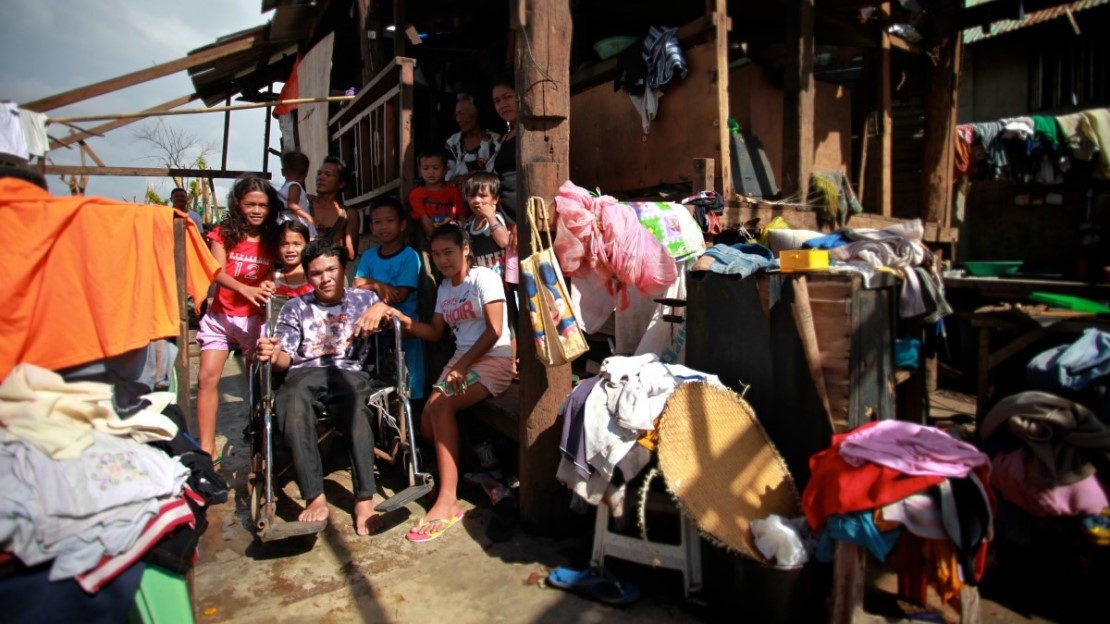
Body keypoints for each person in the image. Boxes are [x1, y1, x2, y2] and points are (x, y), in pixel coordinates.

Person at [381, 224, 513, 543]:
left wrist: (463, 365)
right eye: (437, 254)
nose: (442, 260)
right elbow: (436, 333)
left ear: (466, 249)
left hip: (494, 358)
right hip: (462, 362)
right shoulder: (444, 288)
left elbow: (495, 330)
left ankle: (448, 499)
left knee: (441, 408)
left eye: (448, 252)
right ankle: (475, 471)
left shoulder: (484, 278)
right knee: (427, 418)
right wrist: (399, 319)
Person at [256, 238, 393, 536]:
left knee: (358, 411)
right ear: (307, 277)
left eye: (332, 269)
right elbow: (285, 359)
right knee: (290, 404)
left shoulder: (363, 300)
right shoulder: (294, 308)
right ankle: (314, 495)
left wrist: (381, 307)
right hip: (304, 372)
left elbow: (392, 316)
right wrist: (272, 353)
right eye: (317, 273)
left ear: (344, 269)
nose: (325, 278)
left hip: (349, 372)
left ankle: (364, 500)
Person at [195, 176, 281, 459]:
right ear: (238, 204)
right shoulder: (222, 234)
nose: (256, 210)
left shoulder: (273, 239)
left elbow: (275, 271)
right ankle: (206, 447)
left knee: (254, 384)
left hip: (254, 319)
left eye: (263, 205)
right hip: (220, 318)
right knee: (207, 378)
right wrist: (246, 288)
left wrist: (268, 283)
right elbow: (214, 271)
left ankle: (257, 430)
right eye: (250, 204)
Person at [353, 197, 426, 402]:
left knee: (409, 384)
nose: (384, 226)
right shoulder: (368, 256)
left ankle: (412, 424)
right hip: (376, 330)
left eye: (389, 221)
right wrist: (378, 286)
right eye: (378, 222)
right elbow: (355, 286)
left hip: (403, 327)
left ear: (402, 224)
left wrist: (371, 286)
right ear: (371, 227)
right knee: (381, 381)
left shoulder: (409, 256)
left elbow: (399, 295)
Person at [409, 148, 467, 240]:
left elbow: (461, 216)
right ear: (420, 171)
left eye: (435, 168)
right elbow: (424, 219)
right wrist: (437, 241)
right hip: (428, 239)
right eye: (425, 168)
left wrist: (465, 238)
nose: (430, 172)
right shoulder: (416, 194)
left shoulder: (454, 192)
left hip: (453, 237)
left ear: (445, 170)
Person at [311, 155, 360, 263]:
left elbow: (351, 255)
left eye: (327, 174)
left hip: (331, 271)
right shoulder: (305, 204)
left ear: (341, 183)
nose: (320, 177)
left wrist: (324, 247)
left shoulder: (349, 214)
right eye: (319, 173)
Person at [444, 94, 499, 187]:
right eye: (456, 115)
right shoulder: (453, 142)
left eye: (462, 114)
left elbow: (494, 177)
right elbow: (447, 175)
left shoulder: (495, 142)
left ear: (476, 114)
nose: (458, 119)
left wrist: (471, 178)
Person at [488, 73, 519, 222]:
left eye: (508, 97)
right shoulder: (505, 137)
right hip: (505, 216)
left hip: (524, 216)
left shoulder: (533, 133)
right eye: (497, 101)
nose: (502, 105)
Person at [276, 150, 317, 239]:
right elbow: (292, 205)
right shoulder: (295, 186)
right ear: (306, 173)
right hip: (297, 224)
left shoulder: (281, 190)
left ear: (282, 172)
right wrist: (308, 216)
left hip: (283, 223)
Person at [274, 220, 315, 298]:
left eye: (297, 244)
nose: (290, 250)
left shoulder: (315, 275)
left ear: (307, 246)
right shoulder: (272, 278)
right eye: (284, 244)